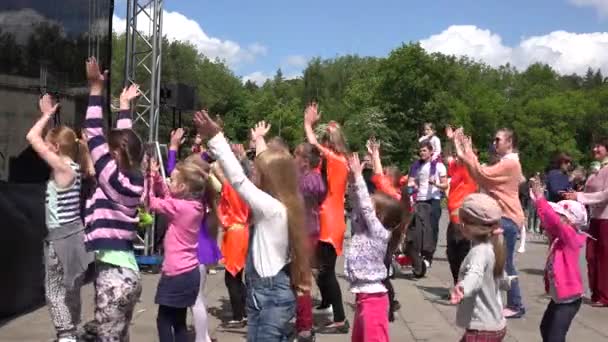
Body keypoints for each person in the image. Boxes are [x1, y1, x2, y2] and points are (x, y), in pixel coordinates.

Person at [194, 110, 310, 341]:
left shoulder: (273, 209)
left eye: (257, 172)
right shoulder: (279, 203)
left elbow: (238, 179)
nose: (252, 173)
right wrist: (259, 140)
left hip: (271, 299)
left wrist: (216, 137)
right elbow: (270, 167)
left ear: (269, 178)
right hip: (265, 295)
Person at [82, 57, 144, 340]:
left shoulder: (111, 178)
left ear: (115, 155)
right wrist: (124, 107)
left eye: (109, 150)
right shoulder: (134, 179)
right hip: (127, 273)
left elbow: (92, 132)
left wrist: (96, 89)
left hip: (114, 276)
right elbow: (125, 141)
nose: (102, 151)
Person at [26, 94, 93, 342]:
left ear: (54, 148)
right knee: (72, 289)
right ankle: (72, 331)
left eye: (48, 144)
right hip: (76, 236)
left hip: (61, 239)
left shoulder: (63, 168)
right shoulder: (77, 167)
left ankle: (66, 335)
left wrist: (45, 116)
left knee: (54, 292)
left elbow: (32, 138)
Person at [453, 128, 526, 319]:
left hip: (508, 217)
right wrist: (463, 152)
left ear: (510, 142)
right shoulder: (506, 163)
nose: (494, 143)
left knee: (504, 262)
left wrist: (468, 152)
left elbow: (483, 173)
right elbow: (478, 175)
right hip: (502, 217)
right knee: (494, 261)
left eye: (498, 140)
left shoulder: (510, 164)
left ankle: (516, 304)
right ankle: (496, 300)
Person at [345, 153, 411, 342]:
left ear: (379, 217)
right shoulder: (364, 230)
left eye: (372, 210)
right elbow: (359, 206)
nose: (366, 212)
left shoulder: (380, 233)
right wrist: (351, 181)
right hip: (363, 298)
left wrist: (359, 177)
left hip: (373, 300)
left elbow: (365, 206)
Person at [145, 156, 209, 342]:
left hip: (175, 273)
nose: (168, 182)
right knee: (179, 322)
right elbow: (168, 196)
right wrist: (157, 178)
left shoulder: (179, 207)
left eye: (172, 180)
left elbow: (151, 202)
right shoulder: (194, 206)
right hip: (190, 272)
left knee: (163, 320)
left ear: (182, 188)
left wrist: (149, 179)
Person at [167, 128, 222, 340]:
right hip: (201, 248)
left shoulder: (189, 196)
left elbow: (172, 171)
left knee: (196, 299)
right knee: (197, 298)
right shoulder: (201, 192)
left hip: (194, 250)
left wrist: (173, 147)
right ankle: (203, 336)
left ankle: (202, 338)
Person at [303, 102, 349, 333]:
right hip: (332, 217)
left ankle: (340, 320)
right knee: (324, 270)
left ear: (332, 142)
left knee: (328, 272)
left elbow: (312, 143)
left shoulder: (336, 159)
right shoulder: (339, 160)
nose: (324, 144)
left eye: (327, 140)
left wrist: (308, 124)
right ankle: (333, 311)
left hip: (330, 221)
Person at [530, 178, 587, 342]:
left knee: (554, 337)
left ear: (570, 221)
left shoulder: (570, 236)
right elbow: (549, 221)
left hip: (568, 300)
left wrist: (541, 198)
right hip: (559, 297)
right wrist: (537, 200)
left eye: (559, 215)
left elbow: (554, 222)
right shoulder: (558, 237)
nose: (554, 219)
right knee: (546, 329)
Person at [450, 193, 510, 342]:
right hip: (495, 323)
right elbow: (503, 280)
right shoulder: (493, 246)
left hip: (481, 329)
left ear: (466, 226)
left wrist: (463, 288)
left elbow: (474, 275)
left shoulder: (479, 252)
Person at [564, 137, 608, 307]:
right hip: (595, 218)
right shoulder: (597, 169)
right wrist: (574, 194)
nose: (595, 149)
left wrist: (580, 196)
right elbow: (589, 191)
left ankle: (604, 296)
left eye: (599, 146)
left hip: (606, 219)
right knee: (591, 256)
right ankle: (596, 293)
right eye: (595, 146)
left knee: (603, 258)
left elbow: (605, 194)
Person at [212, 150, 250, 329]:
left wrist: (220, 157)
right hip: (241, 231)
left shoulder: (233, 187)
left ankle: (239, 314)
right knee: (236, 276)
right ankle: (244, 310)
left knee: (232, 277)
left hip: (235, 232)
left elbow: (218, 172)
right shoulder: (245, 187)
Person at [294, 142, 327, 341]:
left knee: (301, 282)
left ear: (305, 161)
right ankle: (302, 323)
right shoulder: (316, 179)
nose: (292, 158)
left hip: (303, 233)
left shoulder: (304, 181)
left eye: (296, 155)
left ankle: (304, 326)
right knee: (301, 280)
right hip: (312, 230)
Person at [444, 126, 477, 286]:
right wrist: (449, 141)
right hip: (453, 220)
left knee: (462, 253)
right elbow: (448, 156)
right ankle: (458, 283)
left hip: (462, 219)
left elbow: (464, 157)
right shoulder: (456, 169)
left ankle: (463, 286)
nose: (457, 157)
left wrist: (457, 140)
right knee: (451, 253)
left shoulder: (468, 170)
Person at [407, 140, 448, 266]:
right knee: (418, 229)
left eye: (424, 150)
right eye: (420, 151)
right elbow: (411, 182)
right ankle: (419, 253)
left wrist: (435, 183)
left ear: (431, 152)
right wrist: (411, 188)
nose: (422, 153)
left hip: (433, 200)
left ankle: (428, 256)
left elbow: (445, 185)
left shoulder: (439, 166)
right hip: (420, 199)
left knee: (432, 228)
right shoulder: (416, 166)